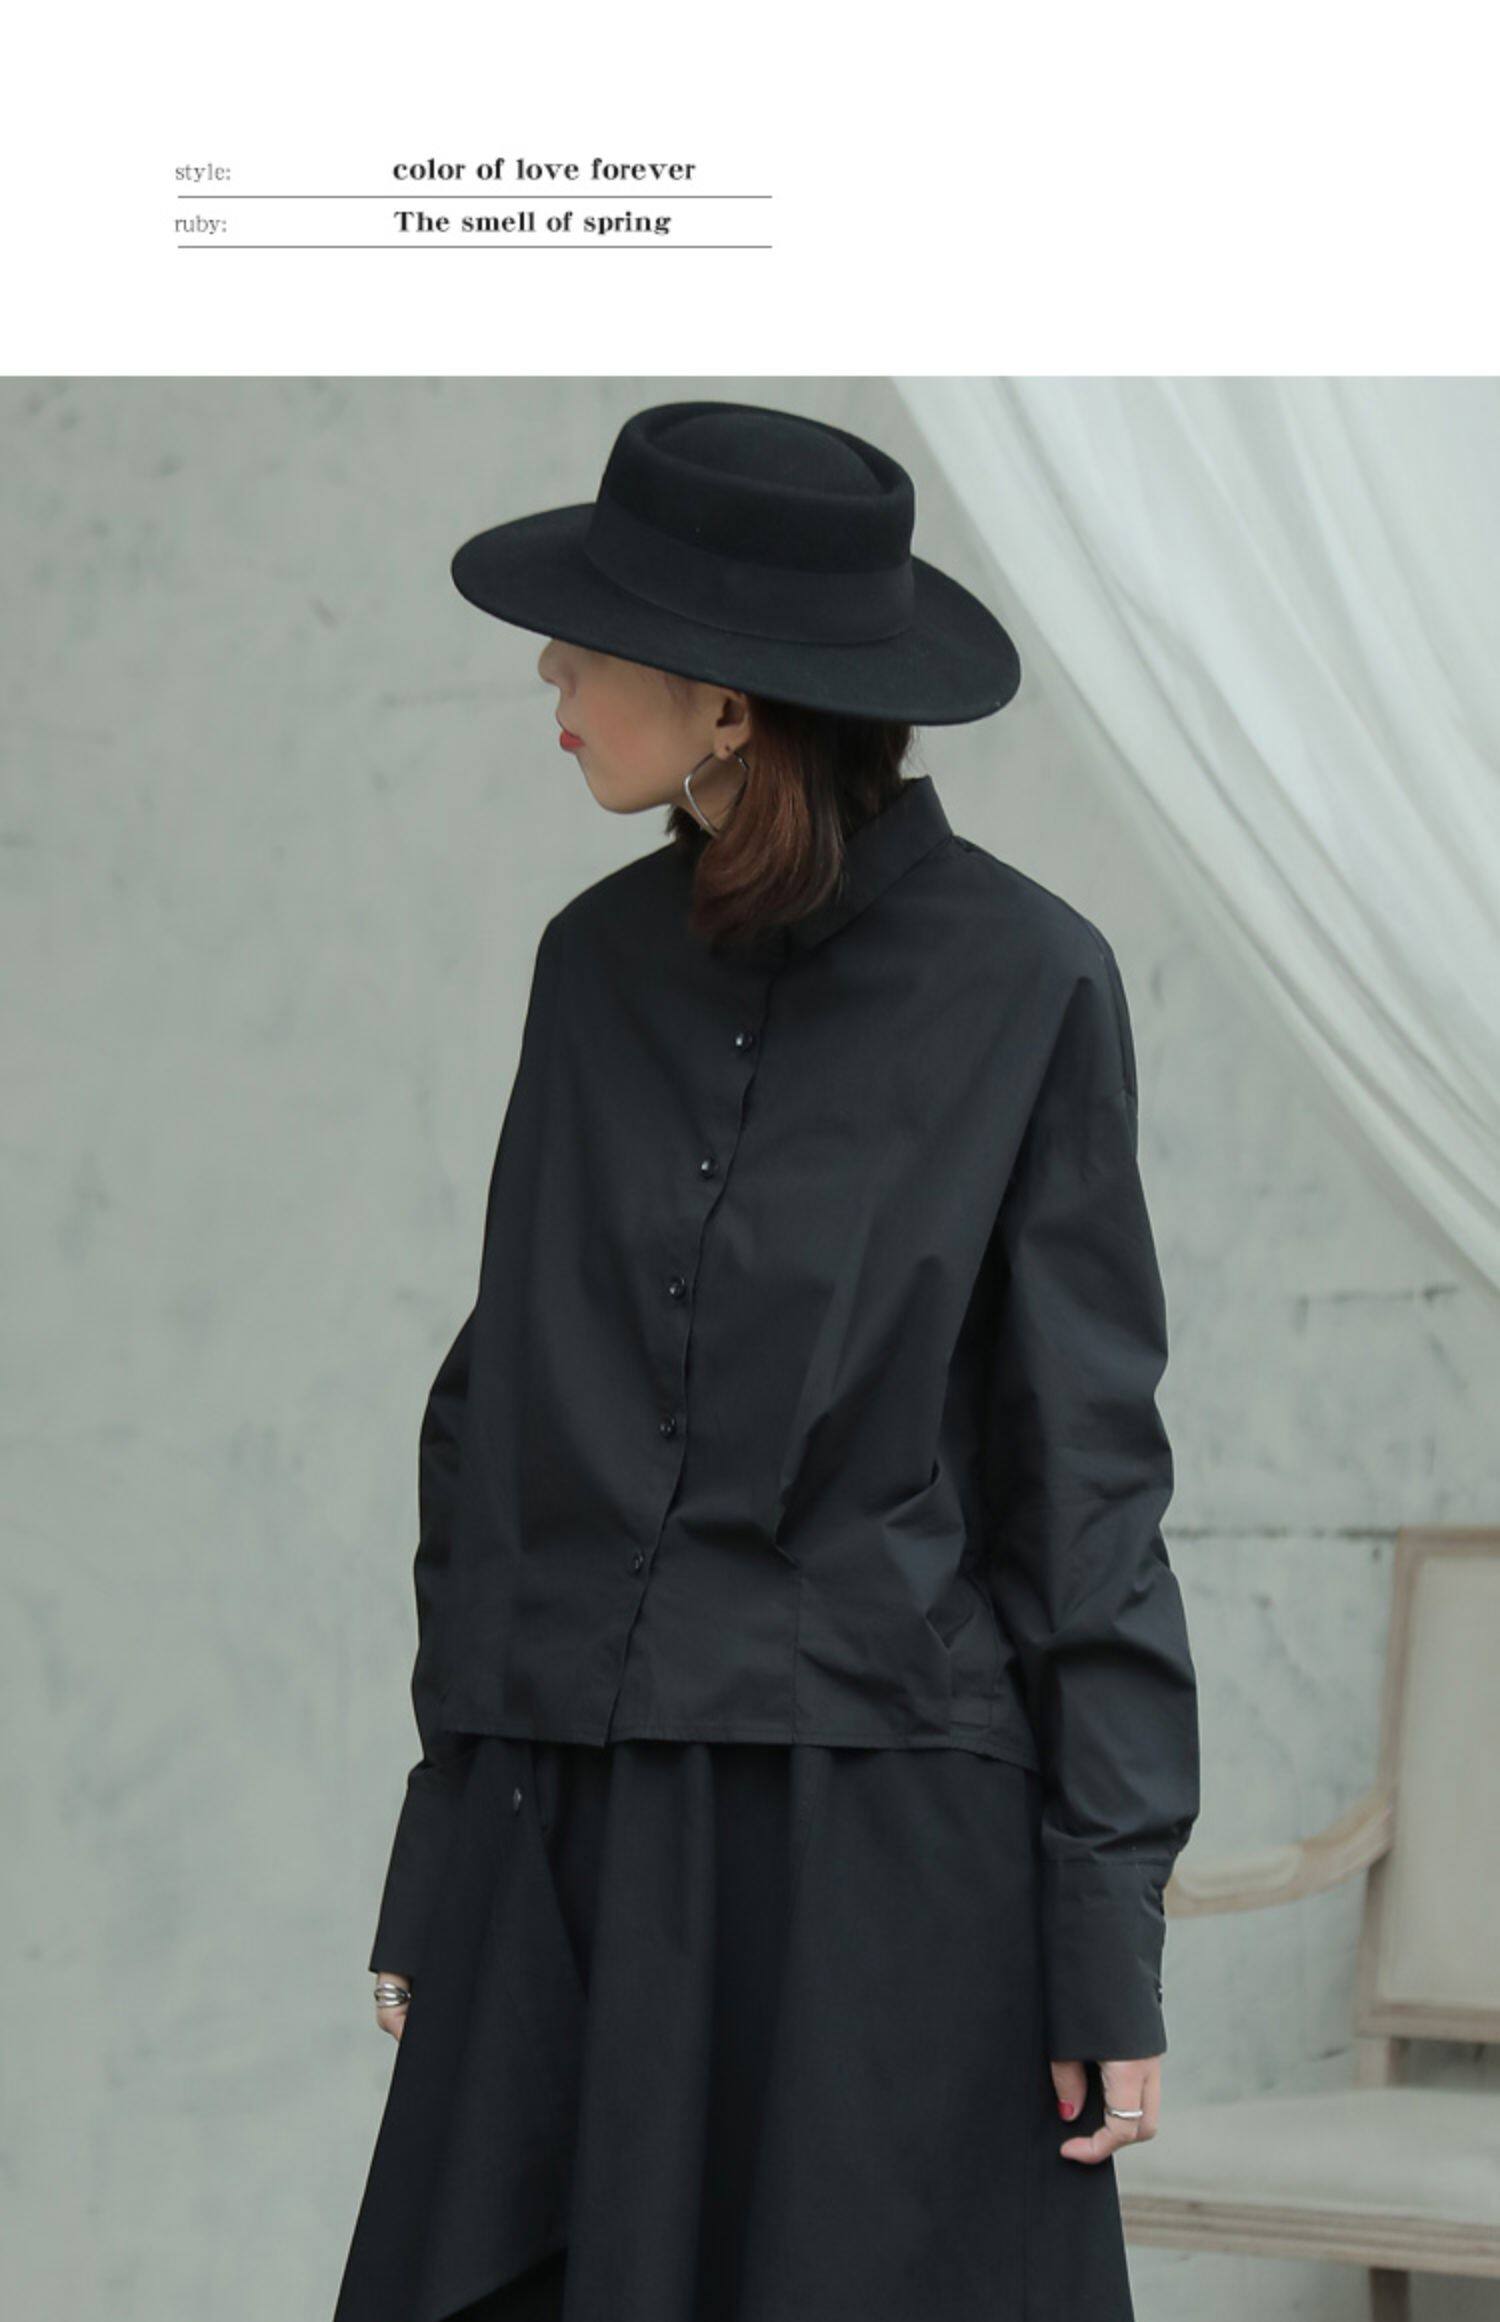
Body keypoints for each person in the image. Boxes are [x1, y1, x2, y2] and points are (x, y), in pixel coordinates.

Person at [332, 400, 1201, 2322]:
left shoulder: (1030, 984)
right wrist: (448, 1828)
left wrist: (1104, 1925)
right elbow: (497, 1421)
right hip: (573, 1832)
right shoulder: (590, 969)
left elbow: (1085, 1481)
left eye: (588, 641)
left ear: (727, 705)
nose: (550, 678)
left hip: (878, 1865)